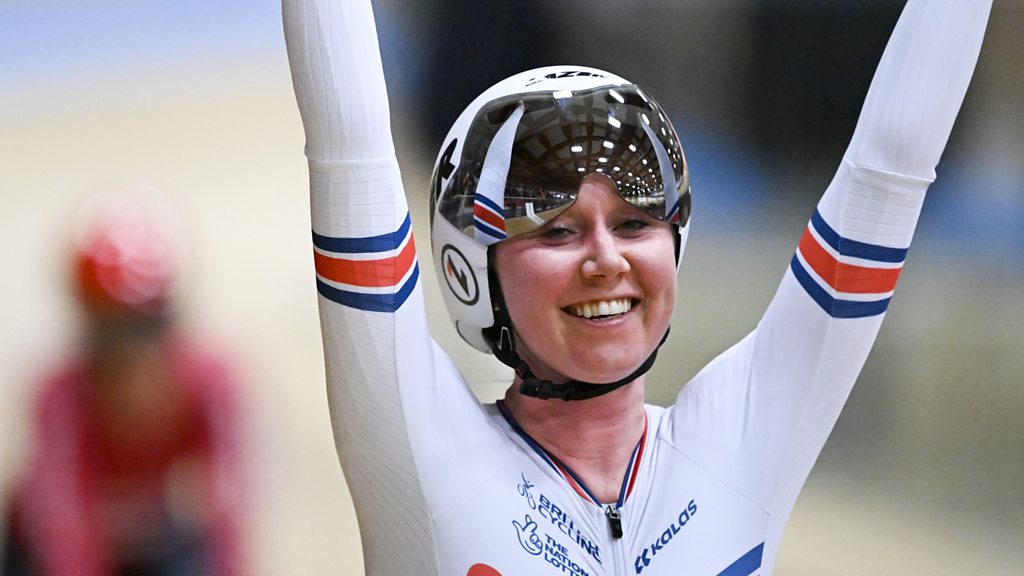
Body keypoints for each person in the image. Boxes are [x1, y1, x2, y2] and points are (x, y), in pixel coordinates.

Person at [282, 0, 991, 574]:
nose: (606, 259)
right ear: (473, 274)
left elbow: (891, 169)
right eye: (556, 231)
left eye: (634, 224)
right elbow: (349, 147)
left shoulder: (739, 439)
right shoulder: (421, 451)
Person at [3, 194, 248, 576]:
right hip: (44, 546)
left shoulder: (209, 383)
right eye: (111, 336)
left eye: (147, 330)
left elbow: (229, 514)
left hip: (150, 537)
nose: (131, 358)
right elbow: (63, 534)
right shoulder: (62, 397)